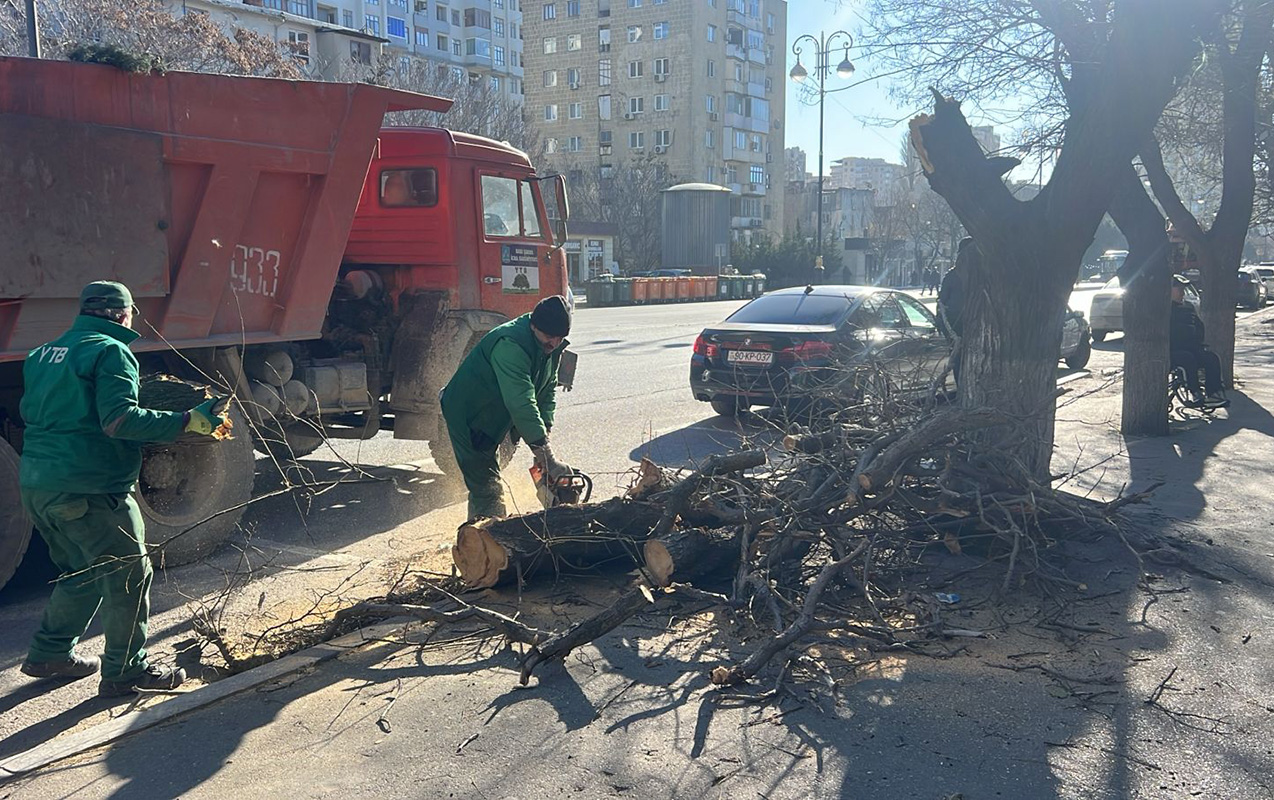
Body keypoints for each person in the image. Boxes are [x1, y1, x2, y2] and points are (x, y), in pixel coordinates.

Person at [19, 281, 227, 697]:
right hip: (91, 487)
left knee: (82, 570)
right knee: (130, 573)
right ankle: (126, 671)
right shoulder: (111, 351)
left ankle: (50, 653)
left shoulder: (42, 353)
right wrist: (187, 421)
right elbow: (119, 420)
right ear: (123, 315)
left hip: (40, 484)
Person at [441, 295, 574, 519]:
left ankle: (486, 528)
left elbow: (547, 391)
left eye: (560, 338)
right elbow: (521, 402)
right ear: (534, 326)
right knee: (487, 486)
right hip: (469, 412)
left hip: (495, 411)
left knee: (489, 474)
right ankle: (489, 534)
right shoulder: (510, 345)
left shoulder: (550, 347)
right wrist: (546, 456)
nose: (554, 343)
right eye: (549, 337)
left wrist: (544, 445)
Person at [1169, 280, 1225, 406]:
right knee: (1188, 359)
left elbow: (1199, 326)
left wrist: (1198, 341)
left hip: (1192, 347)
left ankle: (1213, 393)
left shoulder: (1188, 307)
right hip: (1174, 349)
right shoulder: (1165, 309)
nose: (1182, 293)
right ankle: (1195, 392)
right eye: (1179, 289)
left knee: (1211, 358)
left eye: (1183, 290)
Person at [938, 239, 975, 385]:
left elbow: (942, 302)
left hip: (966, 323)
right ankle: (963, 387)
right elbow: (942, 302)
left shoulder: (953, 275)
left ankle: (963, 387)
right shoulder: (954, 275)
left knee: (963, 358)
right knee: (960, 358)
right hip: (958, 324)